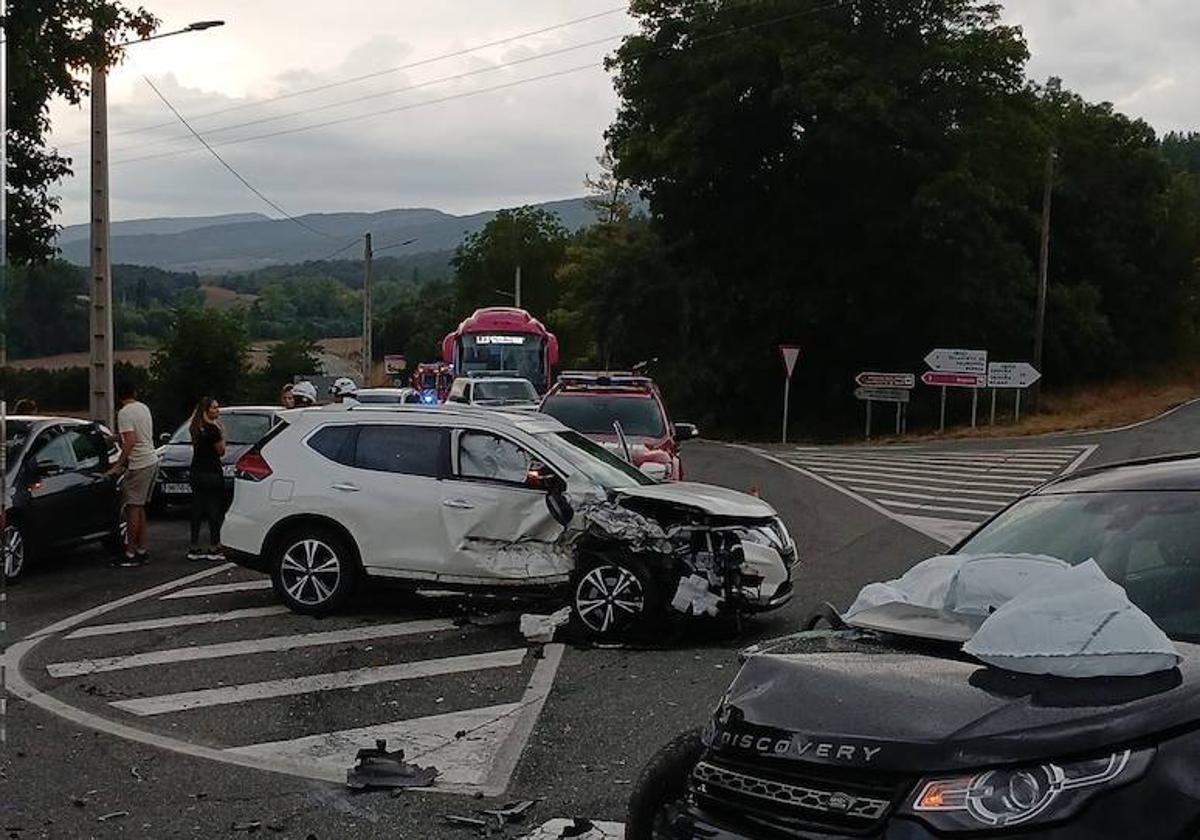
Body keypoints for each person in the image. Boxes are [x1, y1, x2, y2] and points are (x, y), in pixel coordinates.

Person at [108, 381, 158, 567]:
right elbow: (137, 434)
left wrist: (118, 465)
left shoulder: (124, 413)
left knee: (132, 508)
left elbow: (130, 440)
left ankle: (130, 553)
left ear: (119, 397)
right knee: (140, 506)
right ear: (134, 392)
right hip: (151, 459)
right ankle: (141, 549)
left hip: (139, 463)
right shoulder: (143, 408)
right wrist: (113, 438)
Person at [187, 397, 227, 561]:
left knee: (197, 508)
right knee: (214, 509)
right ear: (207, 410)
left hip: (197, 470)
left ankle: (194, 546)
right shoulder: (213, 429)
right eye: (215, 408)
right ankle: (214, 545)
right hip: (212, 471)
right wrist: (223, 434)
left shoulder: (195, 427)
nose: (218, 411)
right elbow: (221, 451)